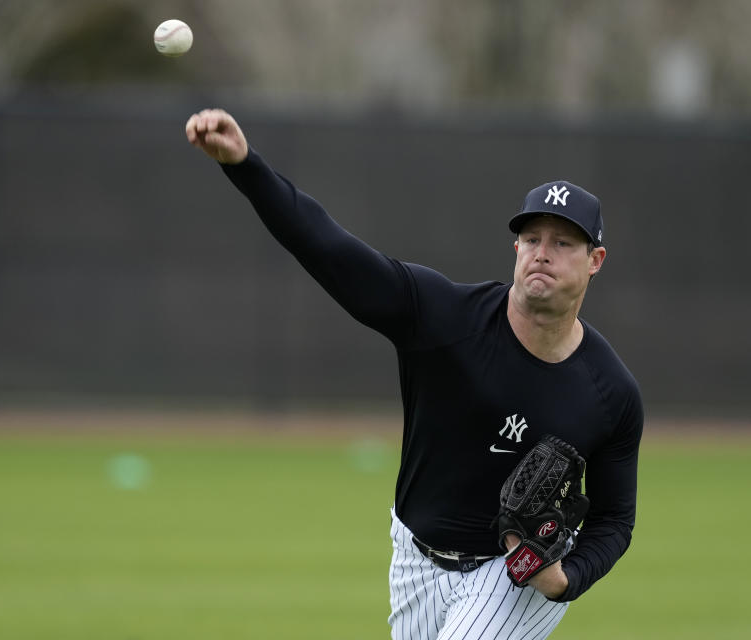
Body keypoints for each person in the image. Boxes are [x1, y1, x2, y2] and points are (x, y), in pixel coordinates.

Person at [186, 109, 644, 640]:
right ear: (515, 247)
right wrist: (245, 166)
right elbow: (328, 248)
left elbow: (614, 520)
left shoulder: (610, 393)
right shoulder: (443, 317)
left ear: (596, 260)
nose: (543, 253)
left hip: (512, 574)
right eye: (532, 238)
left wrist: (567, 578)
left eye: (563, 243)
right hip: (414, 557)